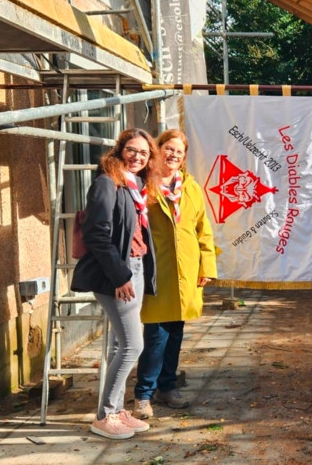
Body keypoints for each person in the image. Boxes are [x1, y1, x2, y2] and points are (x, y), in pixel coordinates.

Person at [71, 128, 158, 440]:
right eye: (131, 150)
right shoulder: (107, 183)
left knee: (122, 345)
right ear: (120, 150)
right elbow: (96, 232)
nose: (137, 157)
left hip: (132, 268)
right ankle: (105, 415)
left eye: (143, 153)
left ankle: (118, 409)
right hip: (116, 273)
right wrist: (120, 276)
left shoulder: (133, 185)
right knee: (134, 345)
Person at [134, 129, 218, 418]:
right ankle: (143, 394)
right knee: (155, 334)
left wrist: (207, 266)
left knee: (175, 332)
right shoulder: (144, 184)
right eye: (168, 148)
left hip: (186, 271)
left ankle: (167, 387)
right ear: (158, 150)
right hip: (157, 271)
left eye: (179, 152)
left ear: (184, 159)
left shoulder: (191, 188)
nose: (173, 155)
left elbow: (202, 228)